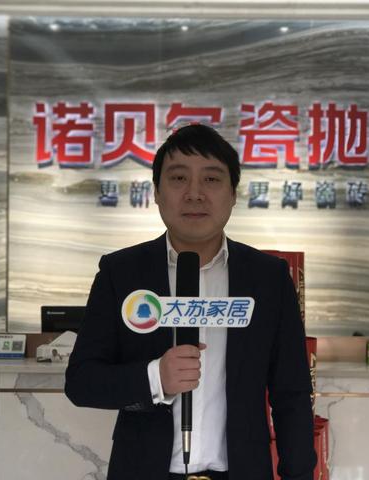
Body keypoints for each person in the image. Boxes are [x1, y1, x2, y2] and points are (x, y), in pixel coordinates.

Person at [65, 124, 316, 480]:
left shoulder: (269, 278)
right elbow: (82, 381)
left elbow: (291, 393)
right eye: (179, 178)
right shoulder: (121, 272)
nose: (195, 194)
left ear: (233, 193)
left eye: (211, 179)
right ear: (156, 192)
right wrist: (156, 378)